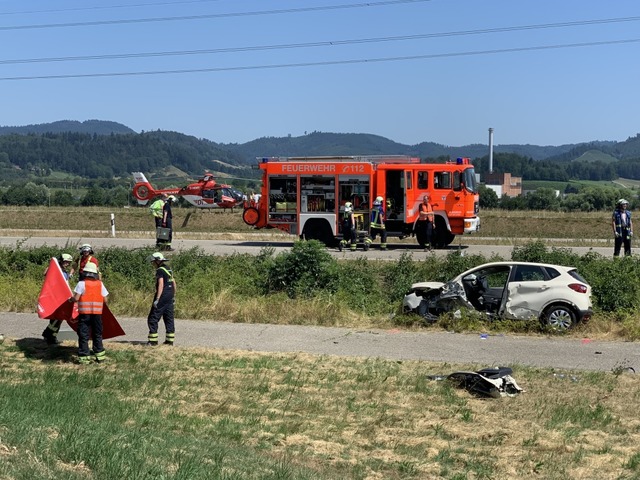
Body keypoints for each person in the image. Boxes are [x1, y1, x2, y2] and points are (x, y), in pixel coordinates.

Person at [69, 262, 108, 364]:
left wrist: (70, 299)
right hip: (97, 314)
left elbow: (76, 298)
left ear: (85, 272)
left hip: (85, 314)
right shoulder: (100, 284)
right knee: (97, 334)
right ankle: (100, 357)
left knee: (84, 335)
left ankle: (84, 358)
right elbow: (105, 300)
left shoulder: (81, 284)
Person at [42, 253, 73, 345]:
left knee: (59, 319)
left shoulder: (64, 272)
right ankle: (49, 335)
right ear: (61, 261)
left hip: (63, 298)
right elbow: (45, 273)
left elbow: (66, 284)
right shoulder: (56, 270)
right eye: (65, 262)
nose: (67, 264)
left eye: (68, 262)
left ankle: (51, 336)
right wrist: (52, 265)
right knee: (56, 319)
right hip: (56, 298)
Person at [146, 252, 177, 346]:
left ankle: (153, 341)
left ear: (157, 261)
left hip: (162, 296)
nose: (152, 264)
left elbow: (161, 284)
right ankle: (169, 341)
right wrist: (173, 295)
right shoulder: (168, 269)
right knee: (169, 318)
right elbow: (174, 283)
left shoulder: (160, 270)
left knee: (153, 318)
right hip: (169, 296)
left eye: (153, 262)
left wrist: (157, 299)